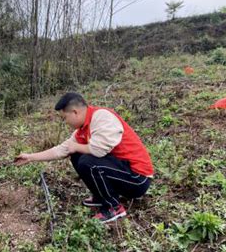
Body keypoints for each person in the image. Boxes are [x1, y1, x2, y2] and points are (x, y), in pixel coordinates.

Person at [15, 92, 154, 223]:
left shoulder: (101, 117)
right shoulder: (82, 129)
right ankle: (101, 197)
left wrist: (75, 147)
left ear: (75, 112)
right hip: (123, 172)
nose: (65, 122)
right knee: (77, 155)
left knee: (87, 161)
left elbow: (98, 150)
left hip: (138, 179)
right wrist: (30, 157)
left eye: (65, 118)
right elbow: (61, 150)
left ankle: (113, 208)